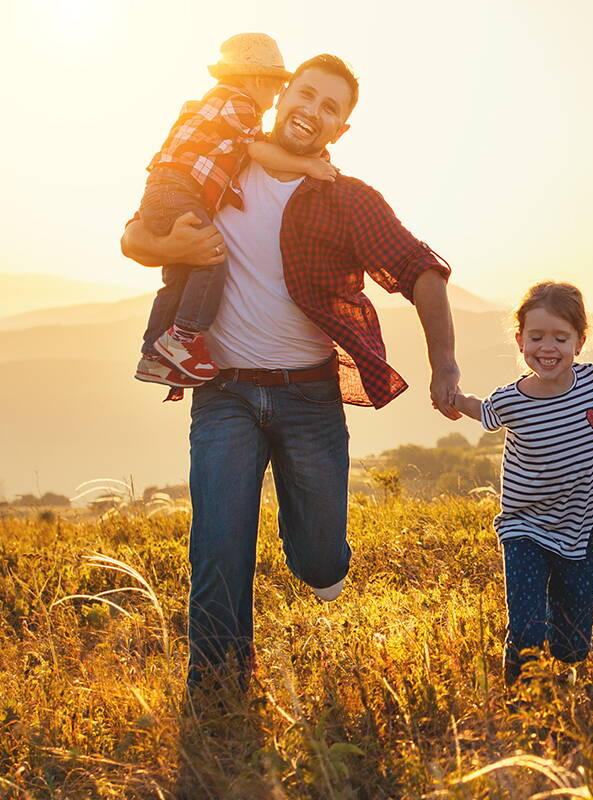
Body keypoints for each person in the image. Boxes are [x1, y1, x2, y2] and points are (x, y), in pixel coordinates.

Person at [121, 53, 462, 693]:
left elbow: (422, 272)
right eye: (306, 94)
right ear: (283, 97)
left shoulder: (348, 199)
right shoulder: (222, 164)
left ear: (341, 130)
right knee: (218, 547)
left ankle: (312, 544)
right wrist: (174, 249)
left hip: (309, 398)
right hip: (222, 393)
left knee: (320, 557)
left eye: (330, 107)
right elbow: (134, 236)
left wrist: (444, 367)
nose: (313, 110)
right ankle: (219, 693)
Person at [454, 282, 593, 684]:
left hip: (579, 525)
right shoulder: (510, 400)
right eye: (536, 337)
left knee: (573, 643)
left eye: (560, 338)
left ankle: (562, 688)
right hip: (524, 526)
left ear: (579, 342)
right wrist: (452, 397)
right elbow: (481, 411)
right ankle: (521, 697)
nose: (547, 347)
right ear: (520, 341)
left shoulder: (591, 383)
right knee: (528, 631)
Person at [135, 33, 339, 389]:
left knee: (181, 276)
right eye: (276, 88)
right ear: (259, 80)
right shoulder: (239, 103)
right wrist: (309, 166)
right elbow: (258, 150)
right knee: (212, 255)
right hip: (178, 192)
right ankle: (183, 337)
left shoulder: (210, 105)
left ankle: (153, 354)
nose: (275, 99)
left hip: (161, 193)